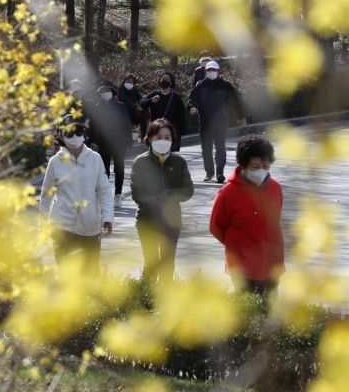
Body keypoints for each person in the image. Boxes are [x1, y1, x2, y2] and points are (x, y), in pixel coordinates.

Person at [209, 134, 284, 301]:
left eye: (266, 166)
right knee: (247, 313)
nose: (261, 171)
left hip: (272, 264)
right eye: (255, 166)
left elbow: (275, 221)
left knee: (270, 313)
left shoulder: (275, 188)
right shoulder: (227, 193)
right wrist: (238, 245)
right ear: (243, 165)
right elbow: (215, 226)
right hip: (243, 267)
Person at [39, 114, 114, 269]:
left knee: (89, 277)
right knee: (67, 281)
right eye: (69, 131)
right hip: (62, 229)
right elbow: (47, 196)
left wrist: (107, 217)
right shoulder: (55, 162)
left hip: (90, 229)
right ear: (61, 134)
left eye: (78, 131)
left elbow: (104, 191)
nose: (74, 136)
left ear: (84, 133)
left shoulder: (95, 159)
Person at [130, 119, 194, 283]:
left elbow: (188, 190)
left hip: (171, 222)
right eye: (159, 137)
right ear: (150, 138)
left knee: (167, 264)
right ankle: (146, 299)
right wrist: (154, 202)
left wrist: (170, 195)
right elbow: (137, 194)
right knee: (151, 264)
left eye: (167, 137)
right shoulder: (140, 162)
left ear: (172, 140)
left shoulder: (179, 162)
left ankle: (166, 301)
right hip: (147, 221)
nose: (163, 141)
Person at [187, 61, 247, 183]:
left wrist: (240, 116)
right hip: (205, 122)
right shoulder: (200, 85)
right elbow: (192, 99)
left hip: (221, 122)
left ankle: (220, 172)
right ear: (206, 71)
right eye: (209, 70)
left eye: (214, 70)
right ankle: (209, 173)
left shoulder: (226, 86)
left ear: (218, 71)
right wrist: (192, 107)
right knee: (206, 149)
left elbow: (236, 102)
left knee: (220, 148)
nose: (211, 72)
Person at [82, 79, 134, 208]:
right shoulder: (97, 109)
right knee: (104, 171)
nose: (106, 93)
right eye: (103, 91)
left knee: (119, 169)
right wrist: (94, 142)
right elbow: (94, 128)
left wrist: (128, 143)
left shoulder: (120, 106)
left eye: (108, 90)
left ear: (112, 92)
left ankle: (118, 195)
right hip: (103, 144)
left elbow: (127, 125)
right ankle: (105, 195)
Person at [139, 72, 187, 151]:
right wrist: (151, 100)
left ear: (171, 82)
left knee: (169, 157)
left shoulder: (176, 97)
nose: (164, 81)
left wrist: (181, 132)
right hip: (156, 131)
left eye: (167, 79)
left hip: (170, 132)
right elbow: (142, 103)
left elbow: (181, 115)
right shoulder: (155, 94)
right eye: (163, 79)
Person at [118, 73, 148, 143]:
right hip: (123, 113)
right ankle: (128, 139)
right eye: (127, 81)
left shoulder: (135, 90)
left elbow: (141, 100)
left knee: (143, 116)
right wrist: (135, 106)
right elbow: (124, 100)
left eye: (131, 82)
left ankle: (144, 136)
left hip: (134, 112)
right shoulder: (120, 90)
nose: (129, 83)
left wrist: (145, 107)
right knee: (128, 115)